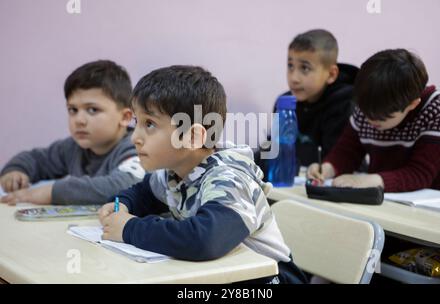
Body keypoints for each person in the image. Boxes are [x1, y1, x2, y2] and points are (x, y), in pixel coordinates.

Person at [99, 65, 308, 283]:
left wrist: (129, 229)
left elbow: (205, 240)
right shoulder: (173, 173)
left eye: (150, 124)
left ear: (193, 137)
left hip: (270, 280)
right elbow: (141, 194)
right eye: (137, 122)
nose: (135, 137)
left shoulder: (229, 178)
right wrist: (121, 205)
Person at [0, 60, 145, 205]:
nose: (79, 120)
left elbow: (127, 185)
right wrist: (16, 171)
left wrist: (51, 192)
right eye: (73, 110)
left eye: (93, 110)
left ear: (125, 117)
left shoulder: (137, 147)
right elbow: (36, 159)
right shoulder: (72, 148)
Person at [308, 49, 440, 192]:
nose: (371, 120)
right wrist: (326, 169)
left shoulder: (436, 109)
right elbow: (346, 153)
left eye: (383, 117)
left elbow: (420, 174)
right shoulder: (369, 103)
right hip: (386, 198)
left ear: (412, 104)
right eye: (365, 112)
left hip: (433, 202)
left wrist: (372, 180)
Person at [256, 29, 358, 175]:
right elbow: (272, 151)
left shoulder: (345, 104)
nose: (294, 78)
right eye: (290, 66)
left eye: (305, 68)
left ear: (331, 74)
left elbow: (334, 160)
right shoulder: (284, 103)